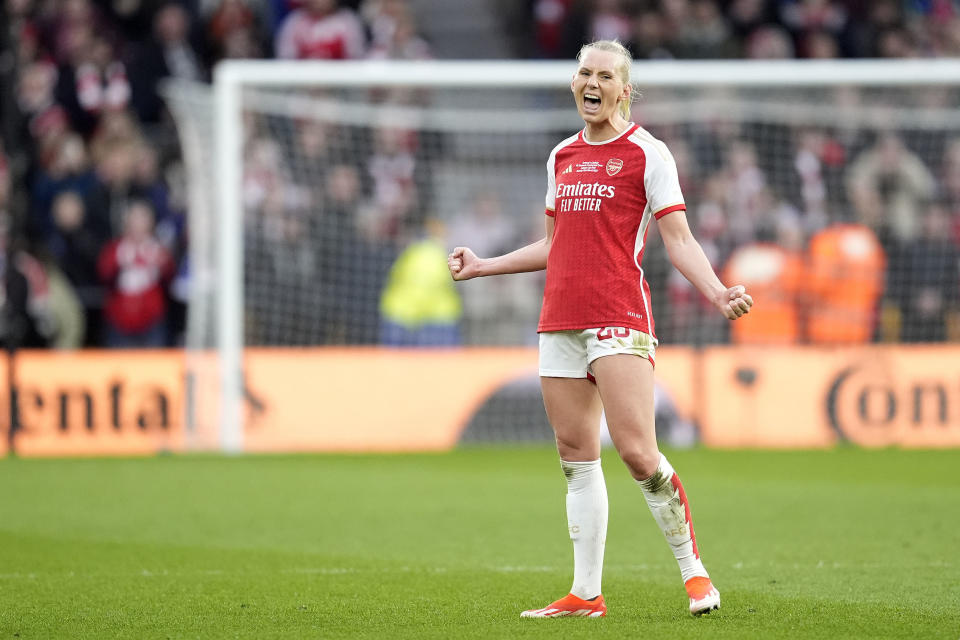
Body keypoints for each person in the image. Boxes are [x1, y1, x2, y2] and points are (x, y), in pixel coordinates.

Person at [447, 39, 753, 619]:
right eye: (584, 72)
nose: (592, 82)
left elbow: (679, 240)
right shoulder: (560, 156)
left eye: (605, 75)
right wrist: (485, 265)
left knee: (638, 452)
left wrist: (717, 292)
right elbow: (555, 244)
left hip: (618, 314)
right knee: (575, 454)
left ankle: (695, 574)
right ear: (574, 83)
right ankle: (586, 594)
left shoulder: (648, 154)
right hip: (560, 318)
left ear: (624, 89)